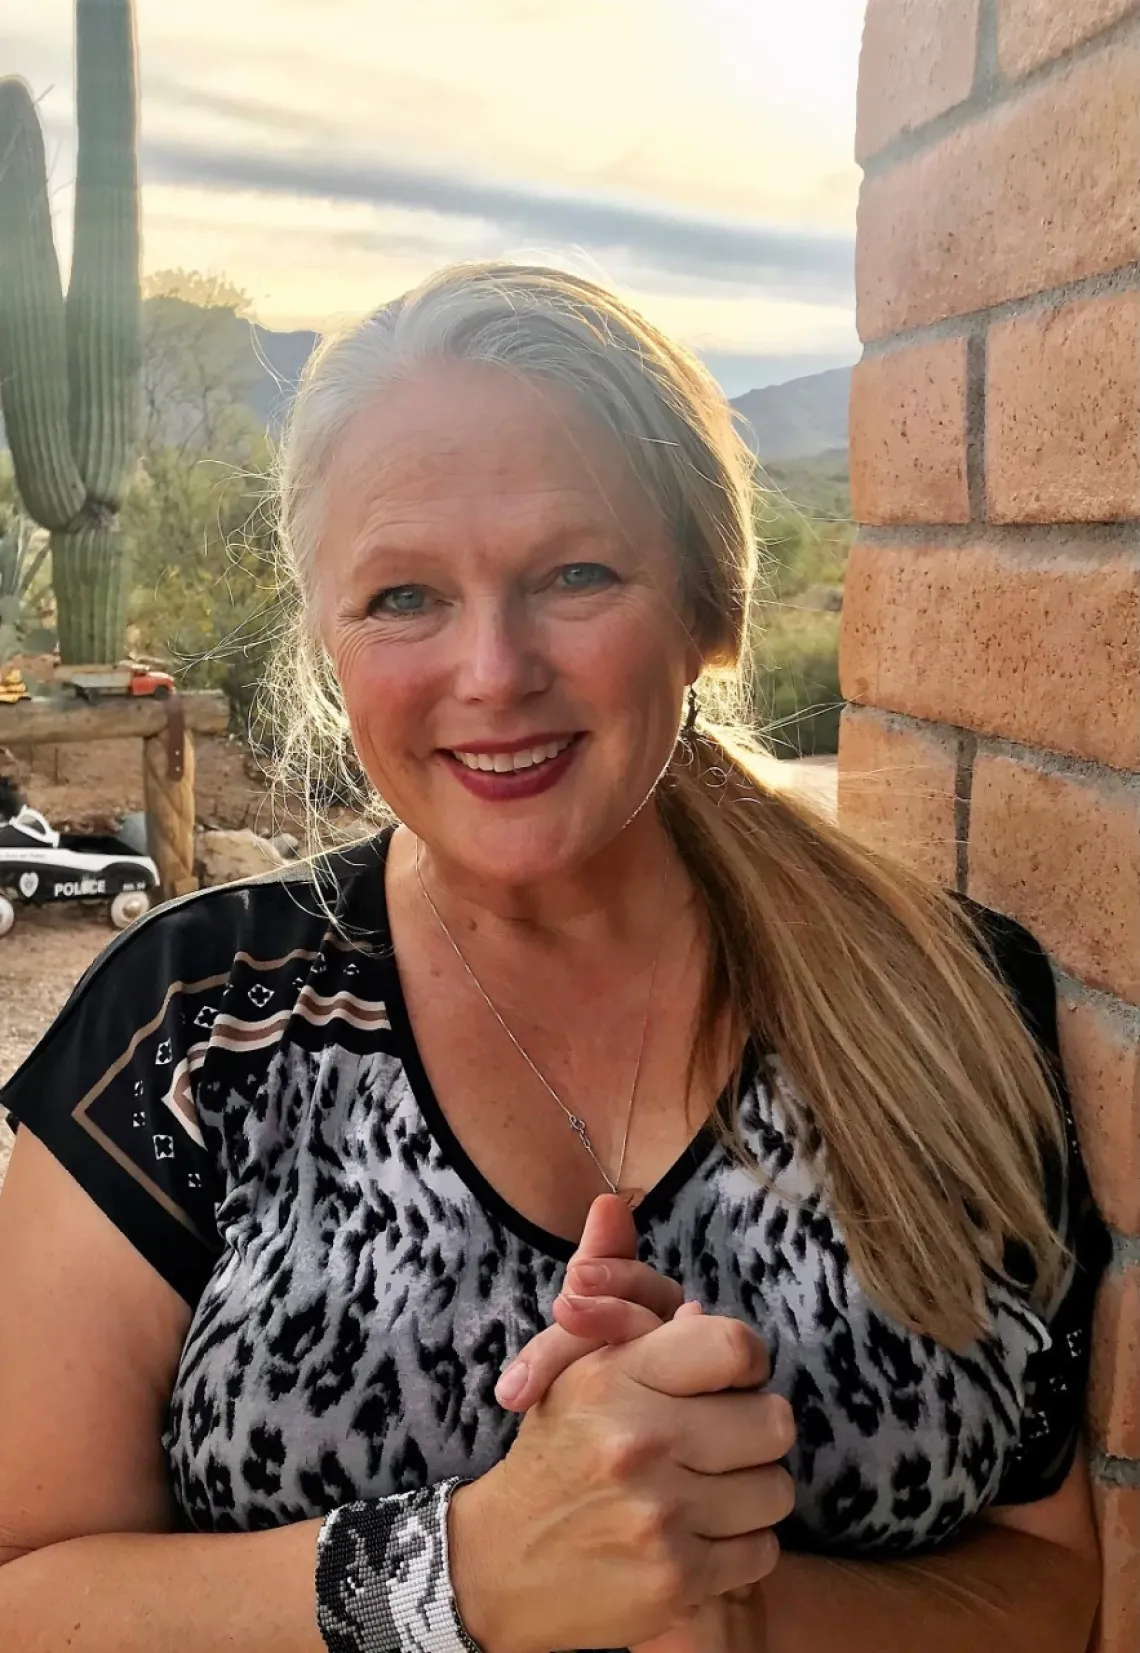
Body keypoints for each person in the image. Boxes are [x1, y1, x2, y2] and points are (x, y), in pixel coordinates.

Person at [0, 263, 1106, 1653]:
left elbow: (1050, 1577)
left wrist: (736, 1606)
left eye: (575, 573)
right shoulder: (191, 1027)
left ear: (715, 609)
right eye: (403, 596)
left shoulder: (950, 1004)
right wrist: (458, 1573)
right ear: (329, 647)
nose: (494, 669)